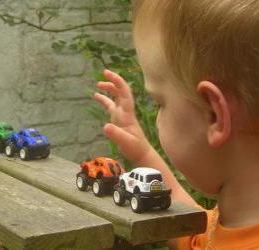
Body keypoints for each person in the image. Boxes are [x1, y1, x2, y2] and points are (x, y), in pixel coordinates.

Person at [93, 0, 259, 249]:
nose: (158, 115)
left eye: (160, 103)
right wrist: (142, 152)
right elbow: (189, 231)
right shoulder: (234, 223)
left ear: (213, 114)